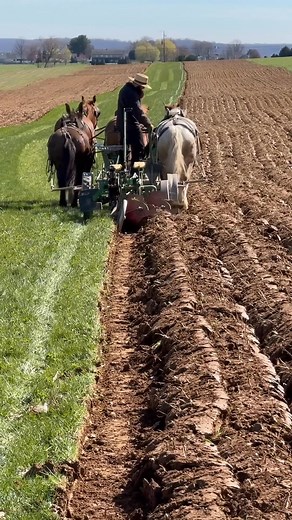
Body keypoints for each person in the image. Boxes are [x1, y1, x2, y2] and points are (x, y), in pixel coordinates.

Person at [116, 73, 153, 173]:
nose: (143, 89)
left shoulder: (125, 89)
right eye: (143, 87)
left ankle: (123, 166)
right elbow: (138, 112)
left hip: (121, 123)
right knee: (139, 147)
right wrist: (148, 123)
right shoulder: (132, 93)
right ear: (139, 86)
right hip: (130, 124)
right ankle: (135, 171)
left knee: (124, 148)